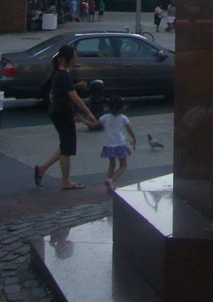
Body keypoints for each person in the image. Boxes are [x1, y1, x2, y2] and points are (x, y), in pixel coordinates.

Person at [34, 45, 96, 190]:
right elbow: (74, 97)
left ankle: (42, 169)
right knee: (67, 149)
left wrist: (76, 85)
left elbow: (65, 89)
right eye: (73, 57)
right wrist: (89, 112)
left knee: (65, 145)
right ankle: (66, 182)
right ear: (64, 59)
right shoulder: (64, 74)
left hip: (58, 112)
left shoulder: (60, 73)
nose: (75, 59)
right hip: (63, 113)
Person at [82, 96, 137, 192]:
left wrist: (82, 120)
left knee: (112, 165)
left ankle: (110, 186)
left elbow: (93, 125)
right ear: (121, 109)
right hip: (120, 145)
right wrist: (134, 139)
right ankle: (111, 180)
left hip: (109, 145)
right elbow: (129, 130)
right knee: (123, 166)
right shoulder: (123, 118)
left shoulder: (105, 117)